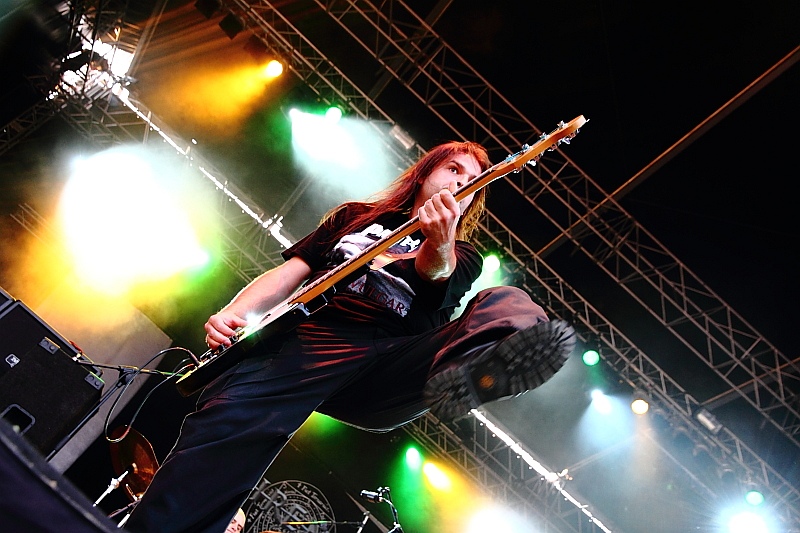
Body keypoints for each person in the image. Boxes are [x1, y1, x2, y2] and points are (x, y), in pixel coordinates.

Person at [124, 140, 576, 532]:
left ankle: (476, 372)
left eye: (474, 178)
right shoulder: (356, 217)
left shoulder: (462, 252)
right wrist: (233, 314)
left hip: (391, 361)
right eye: (453, 169)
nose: (462, 180)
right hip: (314, 341)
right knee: (223, 424)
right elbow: (291, 273)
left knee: (509, 301)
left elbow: (434, 272)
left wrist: (439, 239)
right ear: (425, 173)